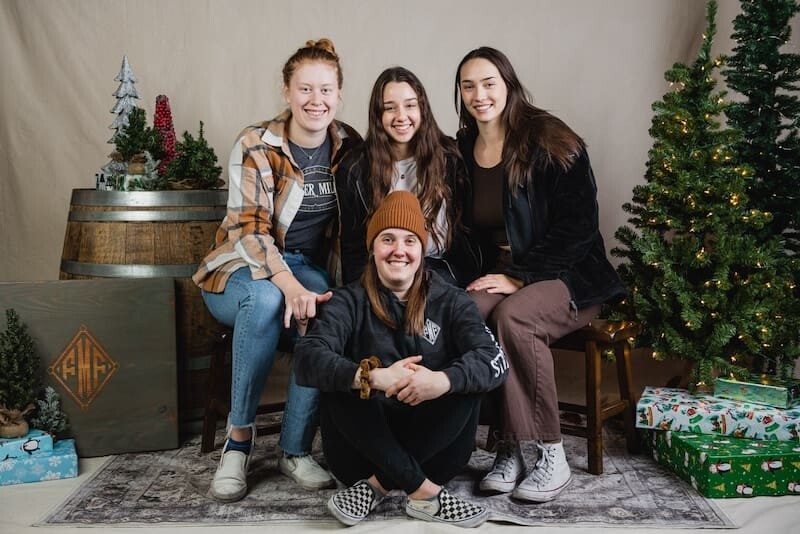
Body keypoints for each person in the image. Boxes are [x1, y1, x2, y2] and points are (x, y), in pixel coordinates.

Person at [191, 38, 362, 503]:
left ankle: (295, 449)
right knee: (265, 300)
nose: (316, 101)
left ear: (340, 95)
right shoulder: (256, 144)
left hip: (307, 269)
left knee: (328, 309)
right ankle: (238, 443)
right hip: (237, 269)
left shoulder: (348, 147)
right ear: (286, 92)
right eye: (305, 89)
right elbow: (250, 231)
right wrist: (289, 287)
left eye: (326, 90)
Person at [453, 47, 626, 503]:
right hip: (504, 275)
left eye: (488, 82)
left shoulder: (549, 139)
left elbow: (579, 227)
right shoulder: (462, 150)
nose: (479, 94)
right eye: (468, 85)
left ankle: (551, 454)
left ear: (508, 84)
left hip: (571, 275)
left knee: (515, 317)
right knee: (468, 312)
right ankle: (507, 447)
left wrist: (521, 277)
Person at [294, 191, 508, 528]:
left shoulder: (452, 300)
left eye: (410, 240)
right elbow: (307, 359)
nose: (399, 250)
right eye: (388, 239)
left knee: (466, 381)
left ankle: (377, 487)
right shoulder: (347, 301)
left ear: (422, 250)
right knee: (340, 382)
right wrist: (372, 378)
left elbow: (495, 361)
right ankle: (426, 496)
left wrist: (442, 380)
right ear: (373, 249)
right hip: (358, 456)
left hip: (435, 458)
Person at [337, 67, 479, 287]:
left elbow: (468, 232)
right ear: (377, 115)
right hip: (382, 272)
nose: (401, 116)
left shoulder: (450, 158)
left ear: (422, 109)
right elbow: (353, 247)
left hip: (440, 268)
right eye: (390, 108)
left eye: (410, 105)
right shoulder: (355, 168)